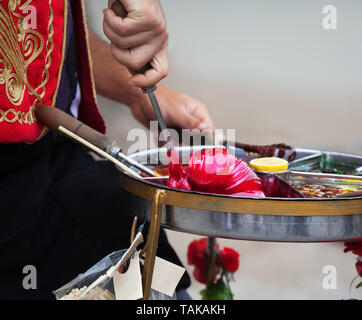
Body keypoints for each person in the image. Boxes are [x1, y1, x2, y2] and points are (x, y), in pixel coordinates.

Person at [0, 0, 213, 299]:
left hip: (53, 161)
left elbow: (50, 36)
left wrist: (137, 91)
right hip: (15, 203)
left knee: (163, 286)